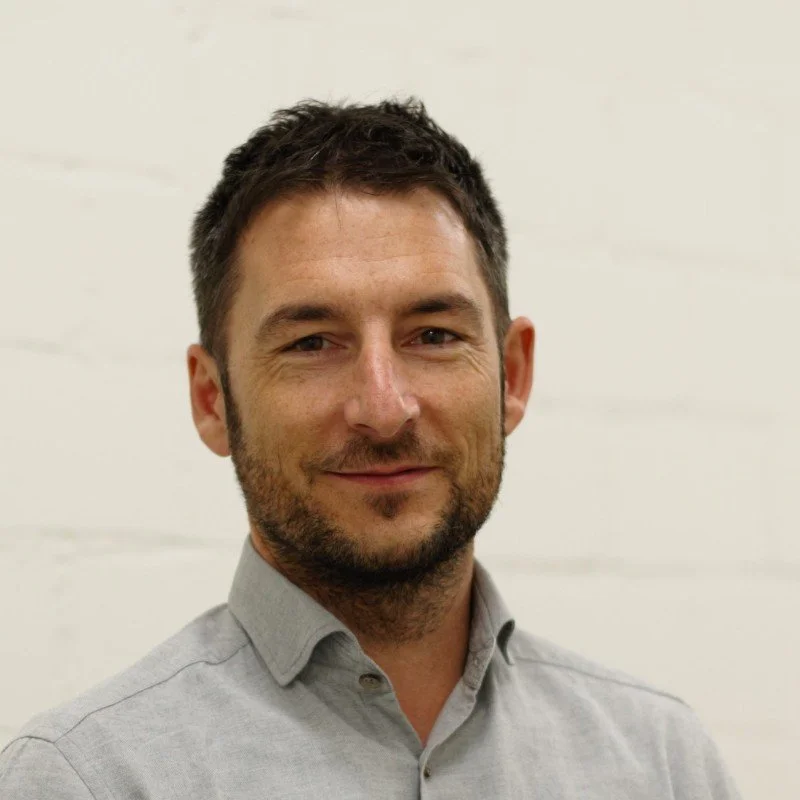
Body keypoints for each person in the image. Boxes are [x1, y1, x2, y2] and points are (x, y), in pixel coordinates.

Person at [0, 99, 741, 799]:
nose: (384, 409)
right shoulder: (90, 780)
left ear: (512, 376)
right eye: (313, 342)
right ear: (212, 400)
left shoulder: (660, 763)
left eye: (434, 336)